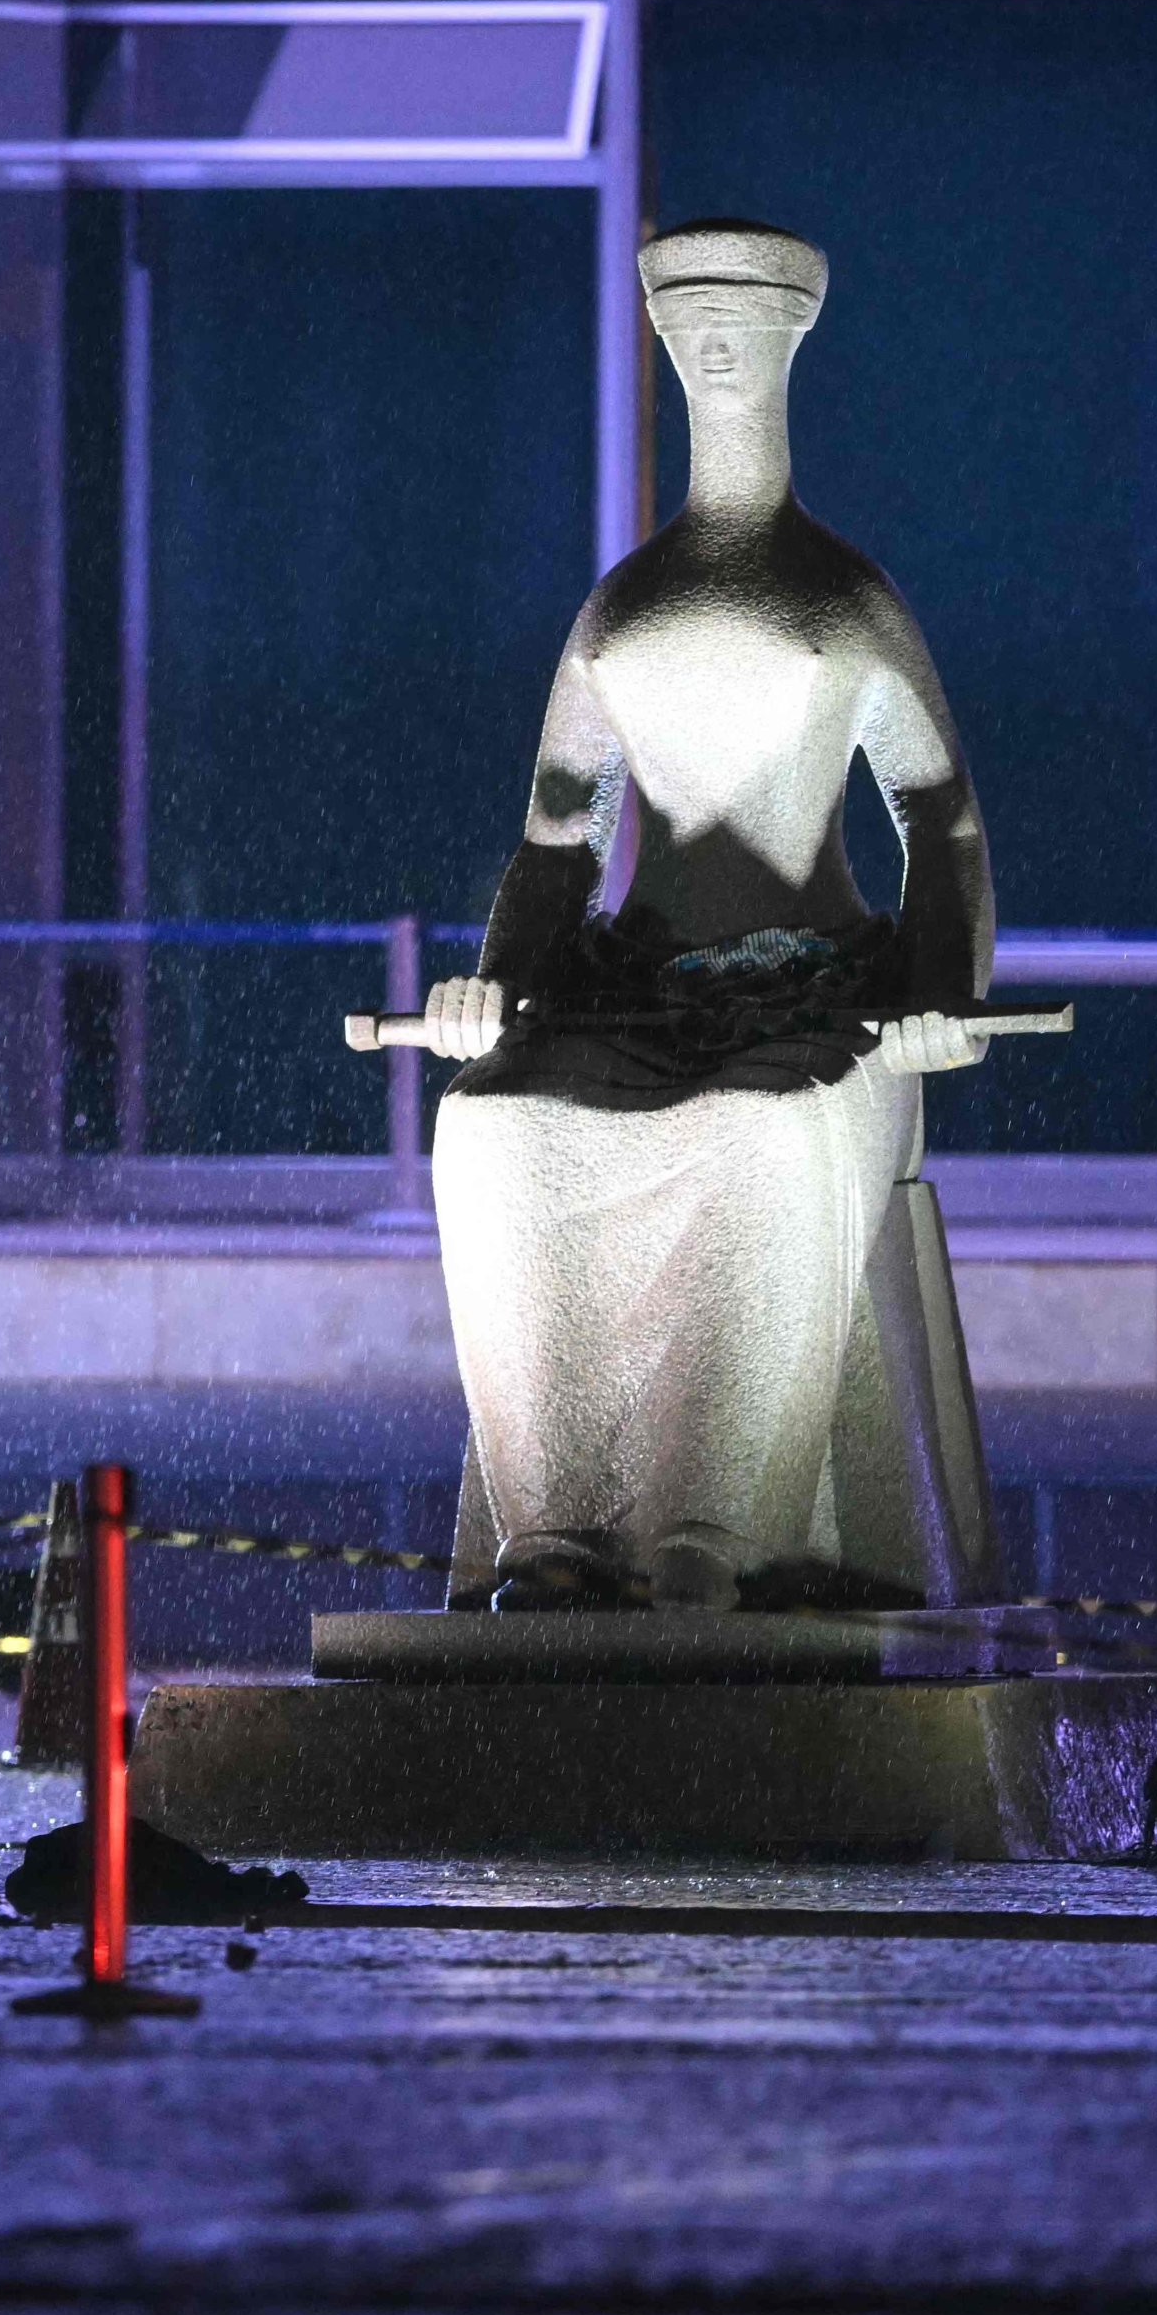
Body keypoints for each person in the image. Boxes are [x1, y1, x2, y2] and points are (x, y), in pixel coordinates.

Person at [409, 221, 998, 1616]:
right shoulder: (618, 615)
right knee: (487, 1129)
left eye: (740, 332)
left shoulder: (845, 602)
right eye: (692, 334)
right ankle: (556, 1530)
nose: (715, 350)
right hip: (636, 998)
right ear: (667, 354)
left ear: (788, 345)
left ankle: (709, 1528)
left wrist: (937, 990)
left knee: (756, 1129)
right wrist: (491, 987)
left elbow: (943, 822)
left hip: (817, 1012)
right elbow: (558, 844)